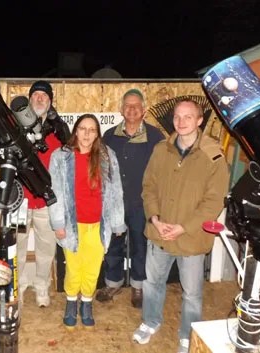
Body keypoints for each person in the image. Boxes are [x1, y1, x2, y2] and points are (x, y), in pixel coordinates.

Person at [132, 99, 229, 353]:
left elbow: (214, 201)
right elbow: (148, 187)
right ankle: (150, 321)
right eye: (177, 117)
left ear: (199, 121)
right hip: (159, 232)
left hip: (191, 237)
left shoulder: (213, 155)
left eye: (188, 117)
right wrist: (154, 218)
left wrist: (184, 227)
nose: (181, 122)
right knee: (152, 283)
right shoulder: (161, 149)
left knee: (192, 293)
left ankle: (188, 333)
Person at [48, 114, 126, 329]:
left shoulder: (107, 156)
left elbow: (116, 190)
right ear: (76, 130)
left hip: (99, 225)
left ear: (98, 134)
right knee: (74, 268)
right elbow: (54, 192)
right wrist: (58, 223)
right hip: (73, 225)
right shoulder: (61, 156)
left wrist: (118, 222)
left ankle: (87, 303)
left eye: (92, 130)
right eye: (83, 128)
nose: (87, 134)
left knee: (92, 268)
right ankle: (71, 302)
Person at [98, 89, 165, 307]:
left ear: (144, 110)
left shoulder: (156, 138)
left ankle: (138, 287)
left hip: (142, 203)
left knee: (140, 245)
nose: (132, 109)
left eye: (136, 106)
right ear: (121, 110)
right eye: (128, 105)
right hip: (115, 204)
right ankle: (113, 283)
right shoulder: (109, 136)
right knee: (113, 245)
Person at [16, 80, 70, 307]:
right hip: (20, 200)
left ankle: (41, 286)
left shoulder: (57, 128)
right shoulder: (16, 124)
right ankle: (17, 287)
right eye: (36, 95)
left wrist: (62, 129)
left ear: (50, 102)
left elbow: (71, 152)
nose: (40, 99)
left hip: (47, 201)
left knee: (46, 249)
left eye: (44, 96)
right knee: (17, 246)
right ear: (29, 100)